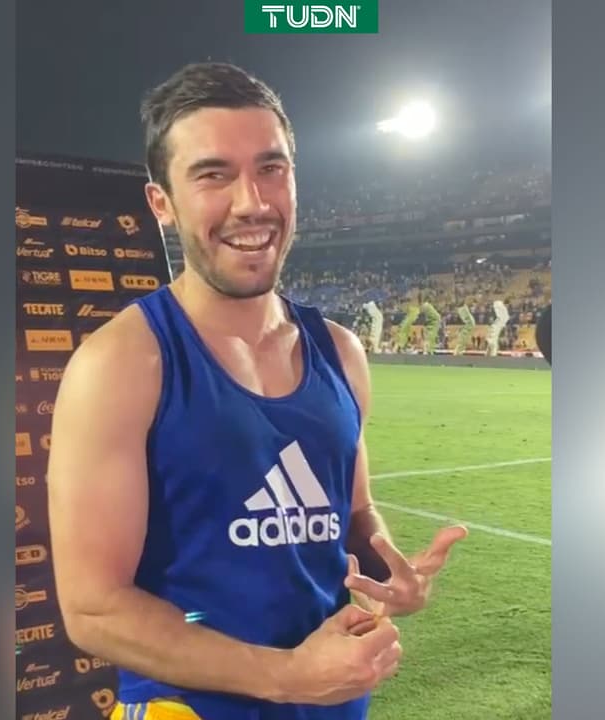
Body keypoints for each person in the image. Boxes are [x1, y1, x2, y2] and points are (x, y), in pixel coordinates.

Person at [47, 62, 467, 720]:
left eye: (271, 168)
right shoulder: (124, 363)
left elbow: (354, 513)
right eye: (213, 175)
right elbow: (94, 609)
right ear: (162, 203)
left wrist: (387, 574)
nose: (252, 202)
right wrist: (286, 676)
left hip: (334, 705)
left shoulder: (341, 353)